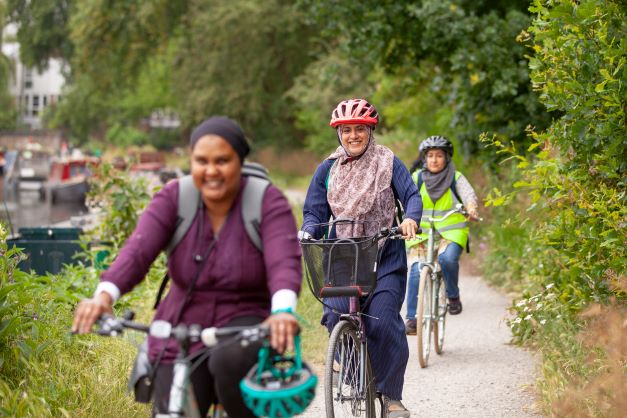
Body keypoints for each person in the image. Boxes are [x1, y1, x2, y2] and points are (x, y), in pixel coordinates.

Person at [72, 116, 302, 417]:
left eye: (222, 161)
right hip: (181, 321)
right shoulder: (173, 198)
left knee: (229, 363)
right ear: (191, 161)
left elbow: (283, 261)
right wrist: (103, 296)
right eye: (201, 161)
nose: (211, 171)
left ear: (240, 162)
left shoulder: (266, 201)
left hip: (244, 319)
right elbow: (137, 252)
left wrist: (283, 311)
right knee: (171, 402)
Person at [300, 99, 421, 418]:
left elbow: (411, 195)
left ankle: (391, 396)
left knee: (383, 317)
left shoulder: (388, 161)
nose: (353, 135)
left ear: (370, 131)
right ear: (339, 133)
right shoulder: (327, 168)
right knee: (337, 313)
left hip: (384, 250)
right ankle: (354, 373)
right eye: (347, 130)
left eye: (360, 129)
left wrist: (410, 218)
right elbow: (314, 210)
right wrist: (309, 231)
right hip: (343, 254)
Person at [404, 135, 480, 334]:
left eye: (439, 155)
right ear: (424, 158)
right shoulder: (417, 177)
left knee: (447, 259)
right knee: (416, 270)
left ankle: (453, 296)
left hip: (451, 232)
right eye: (430, 156)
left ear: (447, 158)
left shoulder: (456, 177)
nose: (434, 160)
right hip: (422, 233)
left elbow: (469, 196)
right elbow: (404, 197)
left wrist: (471, 209)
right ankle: (412, 319)